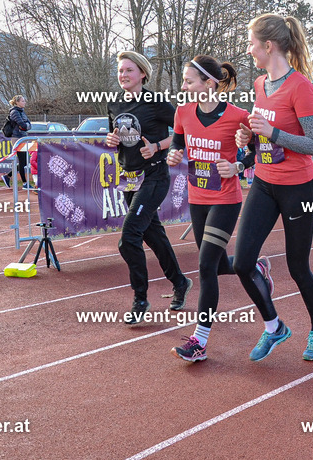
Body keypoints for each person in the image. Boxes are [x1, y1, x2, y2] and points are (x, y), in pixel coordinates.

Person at [233, 13, 313, 362]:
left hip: (297, 187)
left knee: (297, 266)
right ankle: (275, 327)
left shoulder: (301, 87)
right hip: (263, 182)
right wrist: (249, 136)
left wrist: (273, 133)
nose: (248, 50)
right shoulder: (261, 85)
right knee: (242, 262)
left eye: (251, 44)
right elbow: (262, 134)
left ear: (268, 46)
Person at [167, 55, 265, 363]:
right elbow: (177, 144)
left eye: (188, 81)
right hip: (198, 198)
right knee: (221, 264)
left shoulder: (238, 115)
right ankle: (254, 266)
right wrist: (172, 154)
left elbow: (259, 150)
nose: (182, 86)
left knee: (206, 266)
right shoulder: (182, 113)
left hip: (226, 199)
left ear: (209, 84)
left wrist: (236, 165)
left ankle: (199, 341)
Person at [105, 50, 192, 325]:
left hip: (154, 177)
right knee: (153, 236)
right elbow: (119, 137)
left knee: (128, 237)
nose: (123, 75)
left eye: (129, 70)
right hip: (129, 179)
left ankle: (140, 298)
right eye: (120, 71)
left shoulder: (155, 101)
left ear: (142, 73)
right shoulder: (115, 103)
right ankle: (180, 282)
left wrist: (157, 146)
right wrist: (112, 140)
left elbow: (185, 131)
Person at [3, 95, 32, 190]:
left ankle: (7, 176)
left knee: (24, 161)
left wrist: (25, 126)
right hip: (17, 138)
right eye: (23, 101)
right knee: (22, 161)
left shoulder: (22, 112)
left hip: (23, 137)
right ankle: (25, 183)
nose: (24, 102)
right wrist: (25, 125)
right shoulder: (14, 112)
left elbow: (28, 125)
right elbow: (23, 124)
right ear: (17, 102)